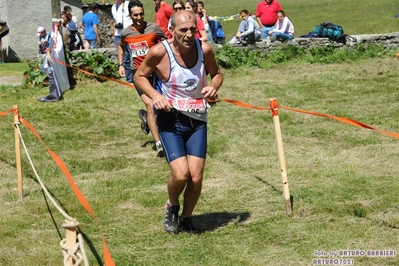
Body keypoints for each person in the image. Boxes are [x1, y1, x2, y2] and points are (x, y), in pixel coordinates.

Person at [134, 10, 223, 233]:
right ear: (171, 30)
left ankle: (187, 217)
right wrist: (156, 96)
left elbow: (217, 73)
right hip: (170, 121)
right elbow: (139, 76)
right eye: (183, 29)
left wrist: (214, 86)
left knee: (195, 177)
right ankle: (172, 205)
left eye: (192, 29)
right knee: (181, 174)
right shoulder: (159, 52)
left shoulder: (204, 49)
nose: (189, 34)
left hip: (197, 120)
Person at [118, 0, 166, 157]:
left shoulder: (154, 29)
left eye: (141, 14)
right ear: (130, 16)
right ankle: (158, 143)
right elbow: (121, 45)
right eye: (135, 15)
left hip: (156, 73)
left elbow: (166, 44)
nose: (139, 17)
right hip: (139, 75)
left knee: (162, 106)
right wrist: (121, 64)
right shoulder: (126, 33)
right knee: (151, 104)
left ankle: (147, 119)